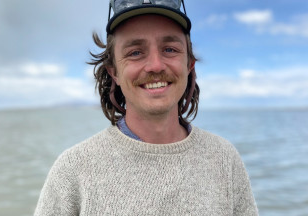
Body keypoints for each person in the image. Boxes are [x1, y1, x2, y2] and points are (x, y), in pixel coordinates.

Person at [34, 0, 258, 215]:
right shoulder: (73, 169)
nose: (155, 65)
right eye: (135, 52)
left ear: (189, 64)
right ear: (114, 72)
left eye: (170, 49)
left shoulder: (224, 158)